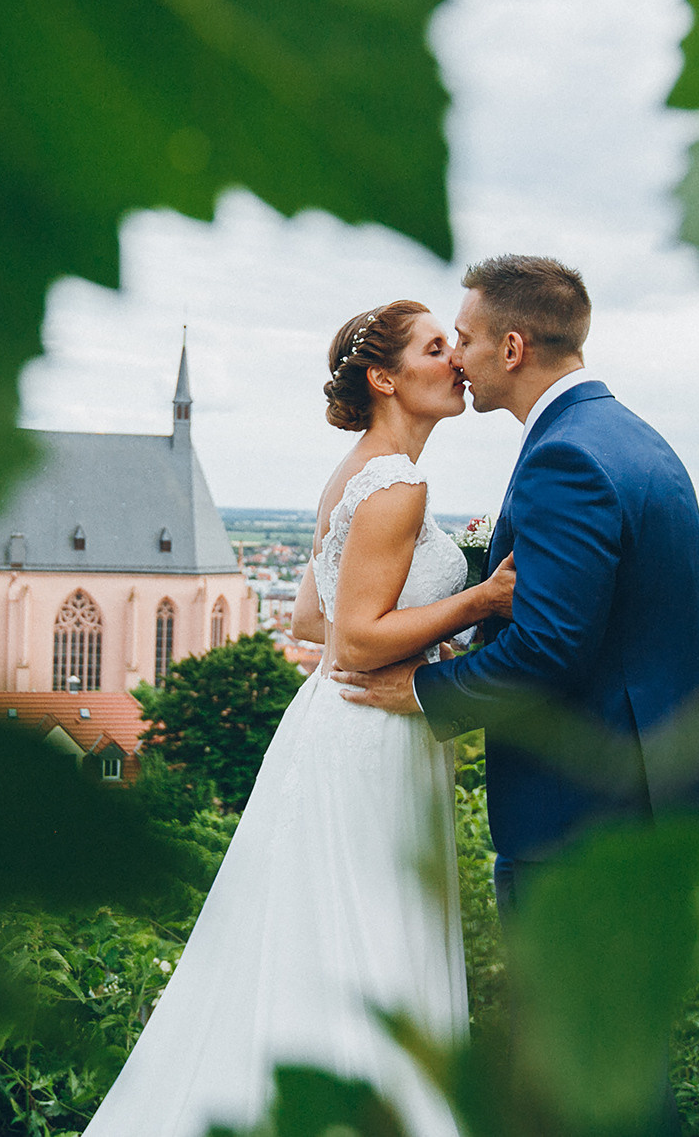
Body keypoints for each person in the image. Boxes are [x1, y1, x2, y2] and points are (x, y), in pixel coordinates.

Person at [82, 301, 515, 1137]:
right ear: (386, 377)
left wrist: (419, 645)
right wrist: (478, 597)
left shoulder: (355, 473)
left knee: (319, 940)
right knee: (368, 938)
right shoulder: (397, 484)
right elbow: (350, 638)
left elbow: (305, 623)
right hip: (371, 736)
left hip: (334, 726)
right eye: (438, 347)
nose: (458, 360)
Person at [338, 255, 699, 919]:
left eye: (464, 338)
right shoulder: (638, 440)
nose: (457, 356)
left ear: (512, 348)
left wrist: (426, 692)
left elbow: (548, 648)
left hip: (581, 823)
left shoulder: (564, 455)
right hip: (654, 804)